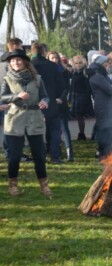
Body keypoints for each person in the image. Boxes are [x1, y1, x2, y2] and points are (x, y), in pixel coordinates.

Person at [0, 49, 52, 197]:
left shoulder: (37, 78)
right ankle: (12, 185)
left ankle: (44, 185)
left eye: (18, 60)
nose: (15, 62)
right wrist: (17, 96)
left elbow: (45, 96)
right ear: (10, 63)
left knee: (39, 155)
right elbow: (3, 97)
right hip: (15, 119)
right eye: (12, 61)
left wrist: (44, 101)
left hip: (34, 118)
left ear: (24, 62)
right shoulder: (7, 78)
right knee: (15, 155)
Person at [31, 42, 65, 164]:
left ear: (32, 52)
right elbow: (61, 84)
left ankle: (40, 155)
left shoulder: (29, 65)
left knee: (36, 131)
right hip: (50, 100)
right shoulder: (52, 66)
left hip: (33, 103)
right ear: (44, 52)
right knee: (54, 129)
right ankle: (55, 156)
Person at [87, 55, 112, 160]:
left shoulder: (101, 75)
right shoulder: (97, 76)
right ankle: (103, 153)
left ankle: (105, 153)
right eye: (106, 63)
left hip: (105, 105)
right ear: (101, 64)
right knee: (104, 130)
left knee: (107, 129)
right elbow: (111, 90)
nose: (108, 65)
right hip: (103, 106)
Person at [47, 51, 73, 161]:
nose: (54, 60)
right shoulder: (46, 71)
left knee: (64, 127)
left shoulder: (63, 71)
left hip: (61, 103)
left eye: (56, 58)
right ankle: (51, 151)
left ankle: (69, 153)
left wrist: (61, 99)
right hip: (50, 102)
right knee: (50, 129)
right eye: (52, 58)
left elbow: (67, 87)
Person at [69, 55, 93, 140]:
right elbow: (72, 86)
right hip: (75, 96)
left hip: (84, 96)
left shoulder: (85, 72)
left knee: (82, 116)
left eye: (80, 63)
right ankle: (81, 133)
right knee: (79, 116)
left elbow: (89, 84)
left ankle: (82, 133)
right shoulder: (74, 73)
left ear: (83, 63)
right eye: (76, 63)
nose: (78, 65)